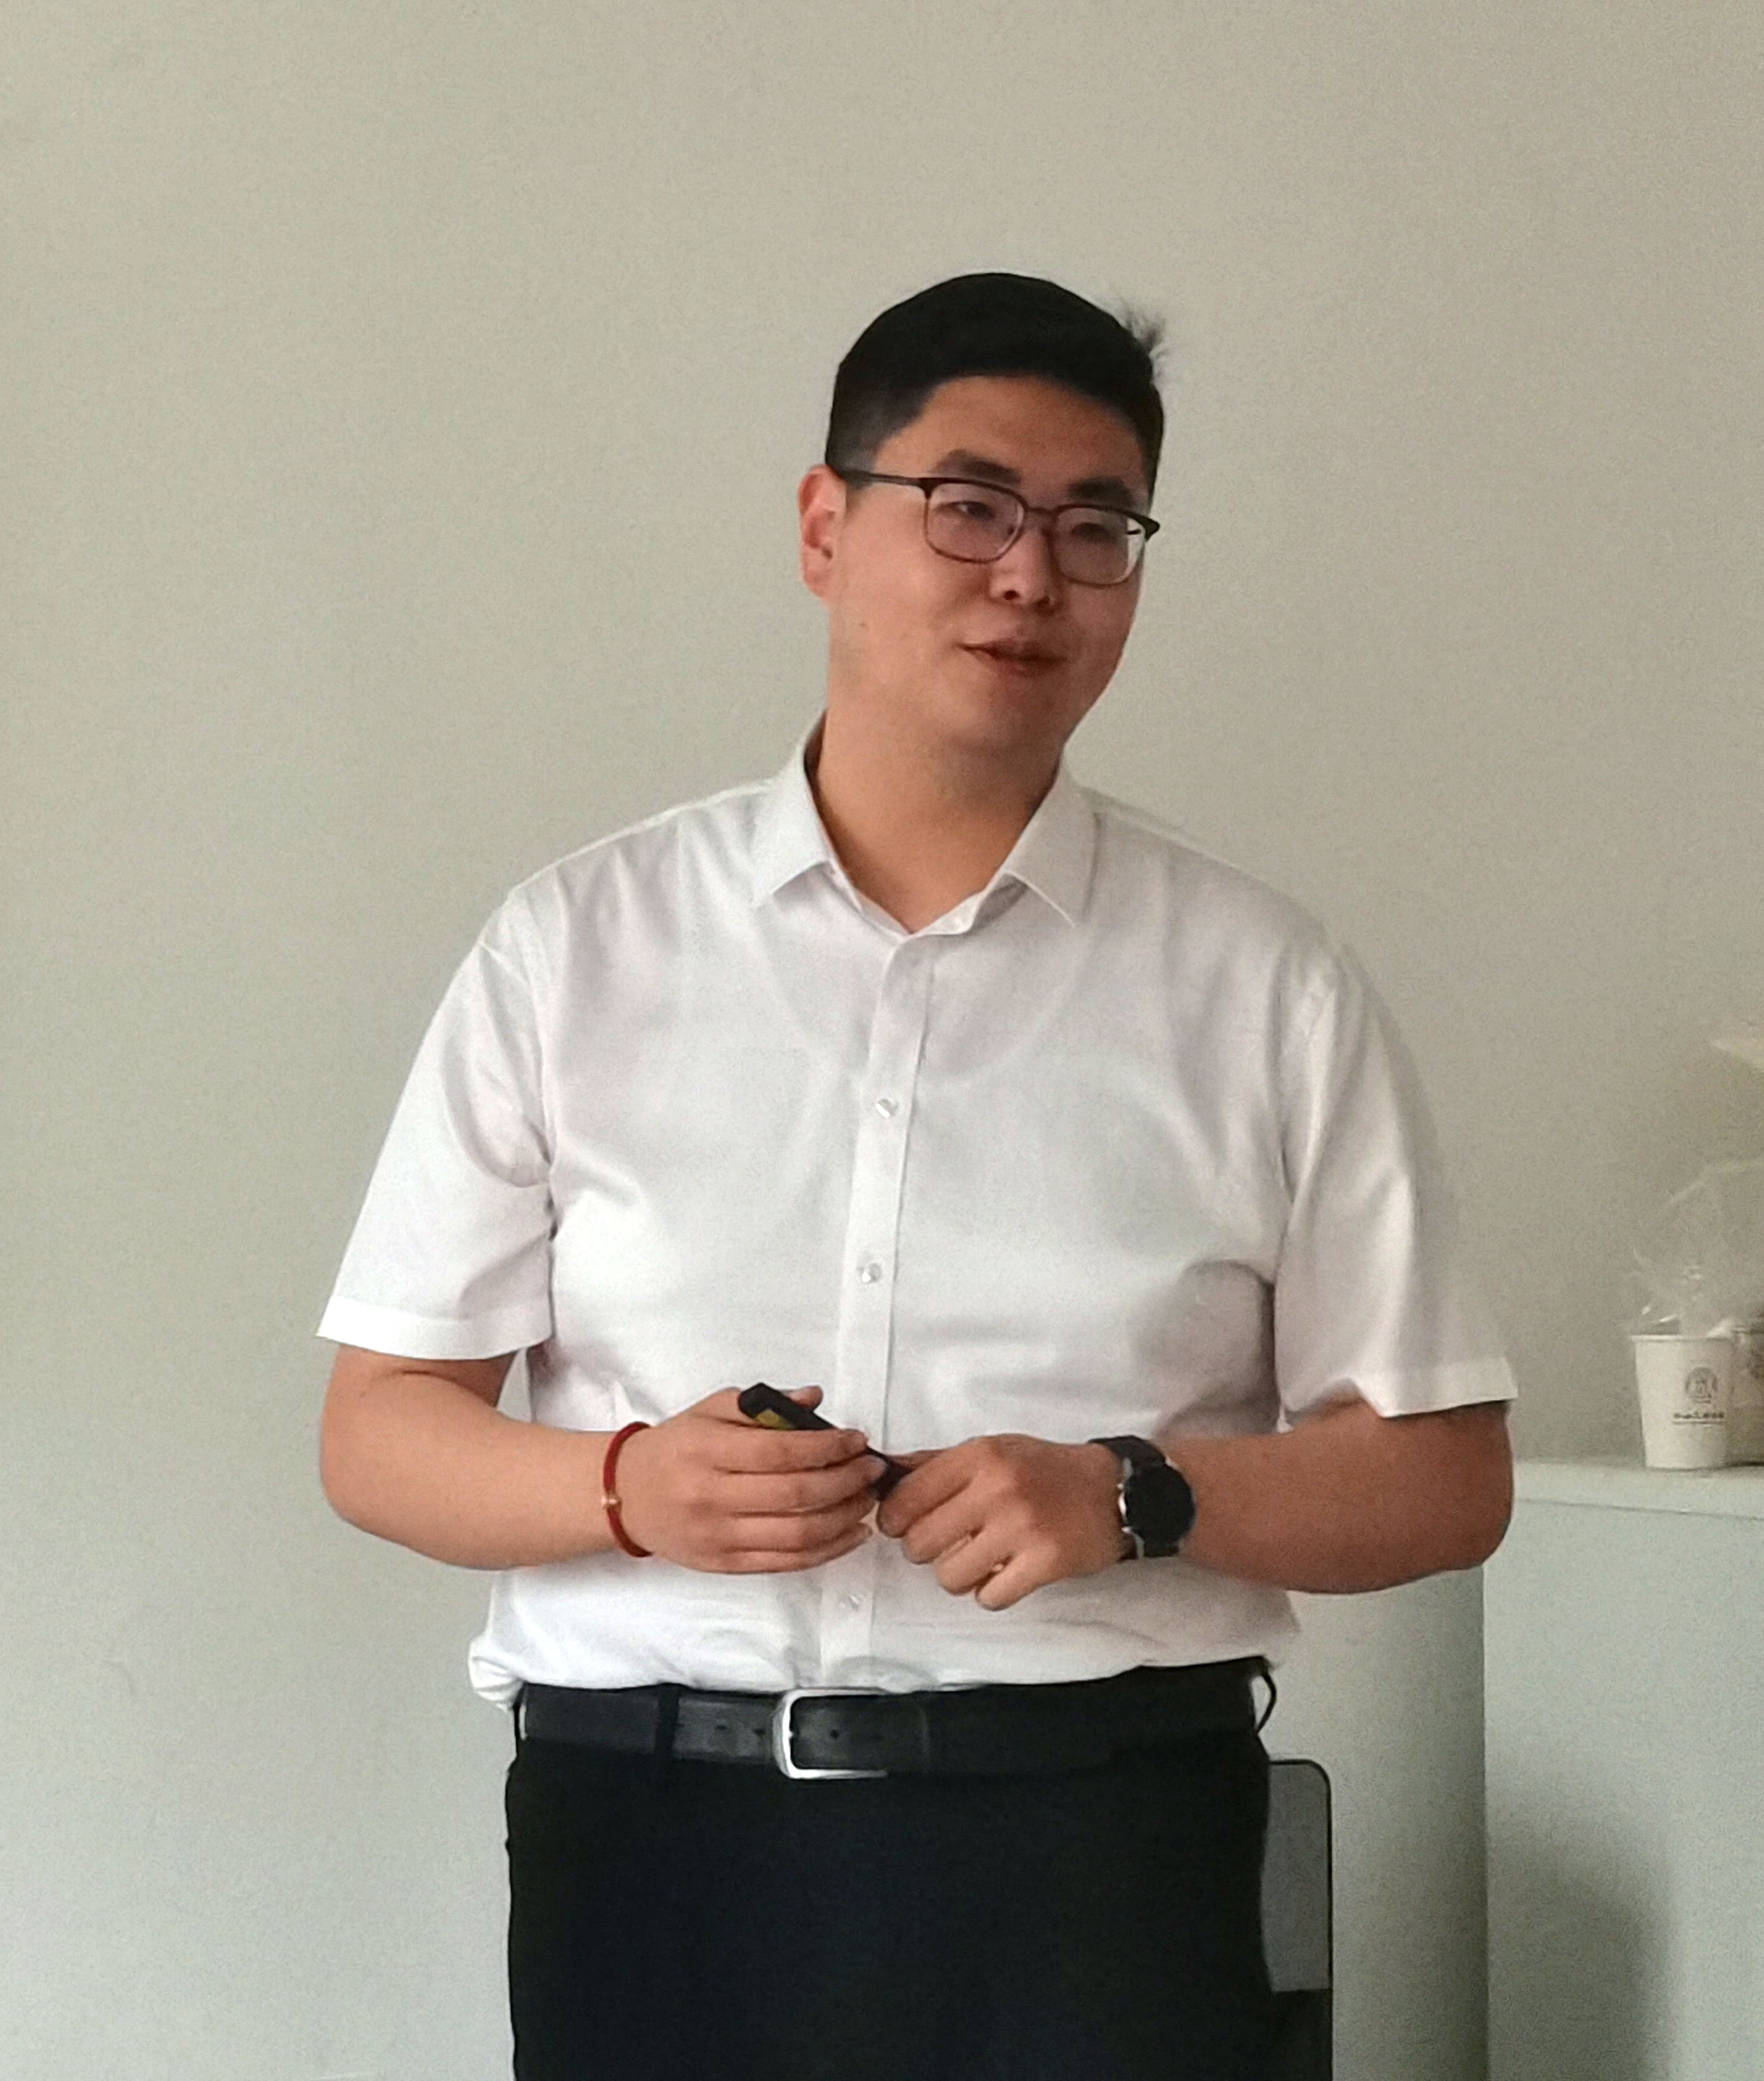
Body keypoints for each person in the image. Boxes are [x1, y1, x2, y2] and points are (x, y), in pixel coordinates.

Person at [316, 272, 1516, 2081]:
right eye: (970, 506)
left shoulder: (1266, 986)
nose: (1030, 575)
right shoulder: (578, 948)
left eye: (1096, 526)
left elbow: (1444, 1476)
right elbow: (379, 1431)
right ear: (825, 525)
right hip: (657, 1858)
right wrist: (628, 1487)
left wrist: (1140, 1496)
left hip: (1102, 1861)